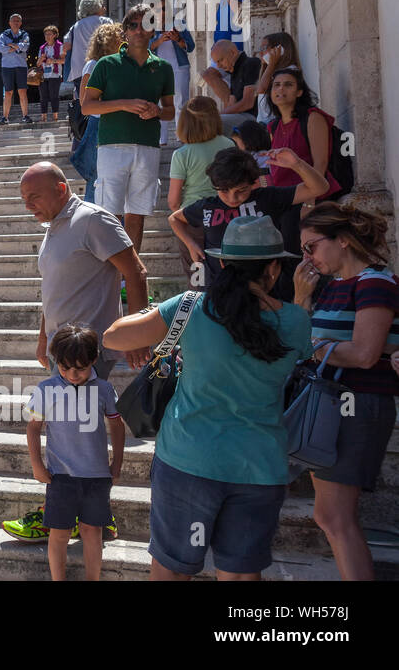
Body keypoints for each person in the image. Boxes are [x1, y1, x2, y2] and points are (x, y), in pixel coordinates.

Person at [104, 215, 307, 581]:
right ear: (275, 268)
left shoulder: (191, 307)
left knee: (171, 569)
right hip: (260, 467)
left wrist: (156, 313)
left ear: (223, 263)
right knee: (242, 574)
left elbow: (113, 337)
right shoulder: (297, 321)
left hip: (188, 461)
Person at [1, 161, 146, 544]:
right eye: (23, 199)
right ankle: (83, 514)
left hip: (86, 352)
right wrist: (42, 336)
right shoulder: (54, 227)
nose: (28, 204)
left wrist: (138, 334)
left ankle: (73, 515)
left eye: (34, 196)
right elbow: (53, 289)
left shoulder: (93, 220)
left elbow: (136, 273)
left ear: (61, 189)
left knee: (77, 434)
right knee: (68, 433)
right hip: (59, 349)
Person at [294, 202, 399, 581]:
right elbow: (297, 338)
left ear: (342, 241)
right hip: (330, 406)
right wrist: (301, 298)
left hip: (357, 405)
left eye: (312, 246)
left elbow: (365, 354)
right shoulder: (330, 286)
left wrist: (315, 344)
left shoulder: (375, 282)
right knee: (329, 516)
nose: (307, 257)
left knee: (335, 517)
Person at [24, 323, 124, 581]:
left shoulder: (103, 389)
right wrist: (37, 465)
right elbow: (34, 428)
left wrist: (117, 463)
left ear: (93, 359)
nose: (72, 374)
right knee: (59, 532)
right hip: (61, 476)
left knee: (92, 531)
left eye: (80, 368)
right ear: (56, 361)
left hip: (97, 476)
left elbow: (116, 423)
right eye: (65, 367)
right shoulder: (46, 389)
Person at [80, 3, 176, 254]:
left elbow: (171, 111)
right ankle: (108, 269)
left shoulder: (163, 68)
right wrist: (124, 104)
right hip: (112, 146)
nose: (138, 30)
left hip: (148, 146)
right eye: (132, 25)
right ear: (124, 31)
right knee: (109, 213)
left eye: (145, 24)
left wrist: (157, 111)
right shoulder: (106, 64)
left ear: (153, 29)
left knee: (137, 213)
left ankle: (130, 274)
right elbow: (87, 107)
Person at [170, 147, 328, 298]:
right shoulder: (207, 206)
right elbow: (174, 219)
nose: (232, 198)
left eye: (241, 190)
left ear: (253, 183)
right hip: (220, 290)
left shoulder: (268, 198)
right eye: (224, 190)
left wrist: (297, 164)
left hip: (266, 291)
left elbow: (319, 188)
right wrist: (190, 244)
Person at [167, 97, 235, 275]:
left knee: (198, 282)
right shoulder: (229, 145)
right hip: (225, 218)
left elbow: (173, 202)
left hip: (193, 221)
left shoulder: (182, 154)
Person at [68, 23, 125, 206]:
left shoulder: (118, 64)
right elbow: (86, 101)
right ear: (110, 41)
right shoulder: (93, 65)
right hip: (98, 126)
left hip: (113, 124)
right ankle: (93, 219)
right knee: (96, 178)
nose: (124, 40)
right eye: (120, 37)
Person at [265, 67, 342, 200]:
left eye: (288, 85)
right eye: (276, 85)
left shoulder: (313, 118)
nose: (281, 89)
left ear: (299, 92)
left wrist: (309, 201)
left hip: (311, 197)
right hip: (285, 197)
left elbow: (320, 163)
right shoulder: (273, 126)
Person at [148, 6, 195, 144]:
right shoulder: (149, 27)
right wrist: (159, 40)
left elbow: (190, 46)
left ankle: (182, 137)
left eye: (163, 8)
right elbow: (144, 48)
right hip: (156, 70)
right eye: (157, 10)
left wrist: (178, 39)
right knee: (159, 103)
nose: (161, 12)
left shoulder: (179, 24)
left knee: (181, 102)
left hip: (179, 68)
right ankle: (161, 140)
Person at [200, 40, 261, 133]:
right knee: (201, 122)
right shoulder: (234, 70)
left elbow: (248, 103)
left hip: (252, 118)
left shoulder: (251, 63)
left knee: (210, 123)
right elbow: (231, 103)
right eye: (216, 62)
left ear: (232, 52)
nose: (219, 66)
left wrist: (218, 115)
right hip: (240, 116)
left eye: (220, 60)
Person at [63, 0, 112, 89]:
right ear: (96, 6)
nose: (104, 8)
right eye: (102, 5)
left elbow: (66, 47)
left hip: (79, 71)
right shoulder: (105, 22)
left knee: (84, 101)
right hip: (101, 68)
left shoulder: (75, 26)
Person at [253, 32, 300, 124]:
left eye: (264, 48)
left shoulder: (290, 71)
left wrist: (271, 64)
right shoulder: (272, 72)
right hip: (266, 124)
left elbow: (261, 89)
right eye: (260, 49)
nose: (261, 53)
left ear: (280, 50)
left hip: (276, 124)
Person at [0, 14, 32, 124]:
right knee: (8, 92)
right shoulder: (3, 35)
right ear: (9, 23)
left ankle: (25, 116)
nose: (16, 23)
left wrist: (11, 45)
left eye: (18, 21)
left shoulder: (25, 34)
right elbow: (2, 49)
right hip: (7, 66)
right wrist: (18, 47)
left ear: (21, 23)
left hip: (21, 66)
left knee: (22, 91)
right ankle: (5, 117)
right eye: (13, 21)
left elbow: (25, 47)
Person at [36, 25, 64, 124]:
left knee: (54, 96)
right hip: (44, 75)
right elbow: (38, 64)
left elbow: (64, 60)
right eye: (46, 34)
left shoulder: (60, 45)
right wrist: (41, 59)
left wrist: (53, 60)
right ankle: (43, 117)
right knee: (43, 96)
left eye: (49, 34)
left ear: (55, 35)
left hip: (55, 75)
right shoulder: (42, 48)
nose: (47, 36)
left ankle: (55, 117)